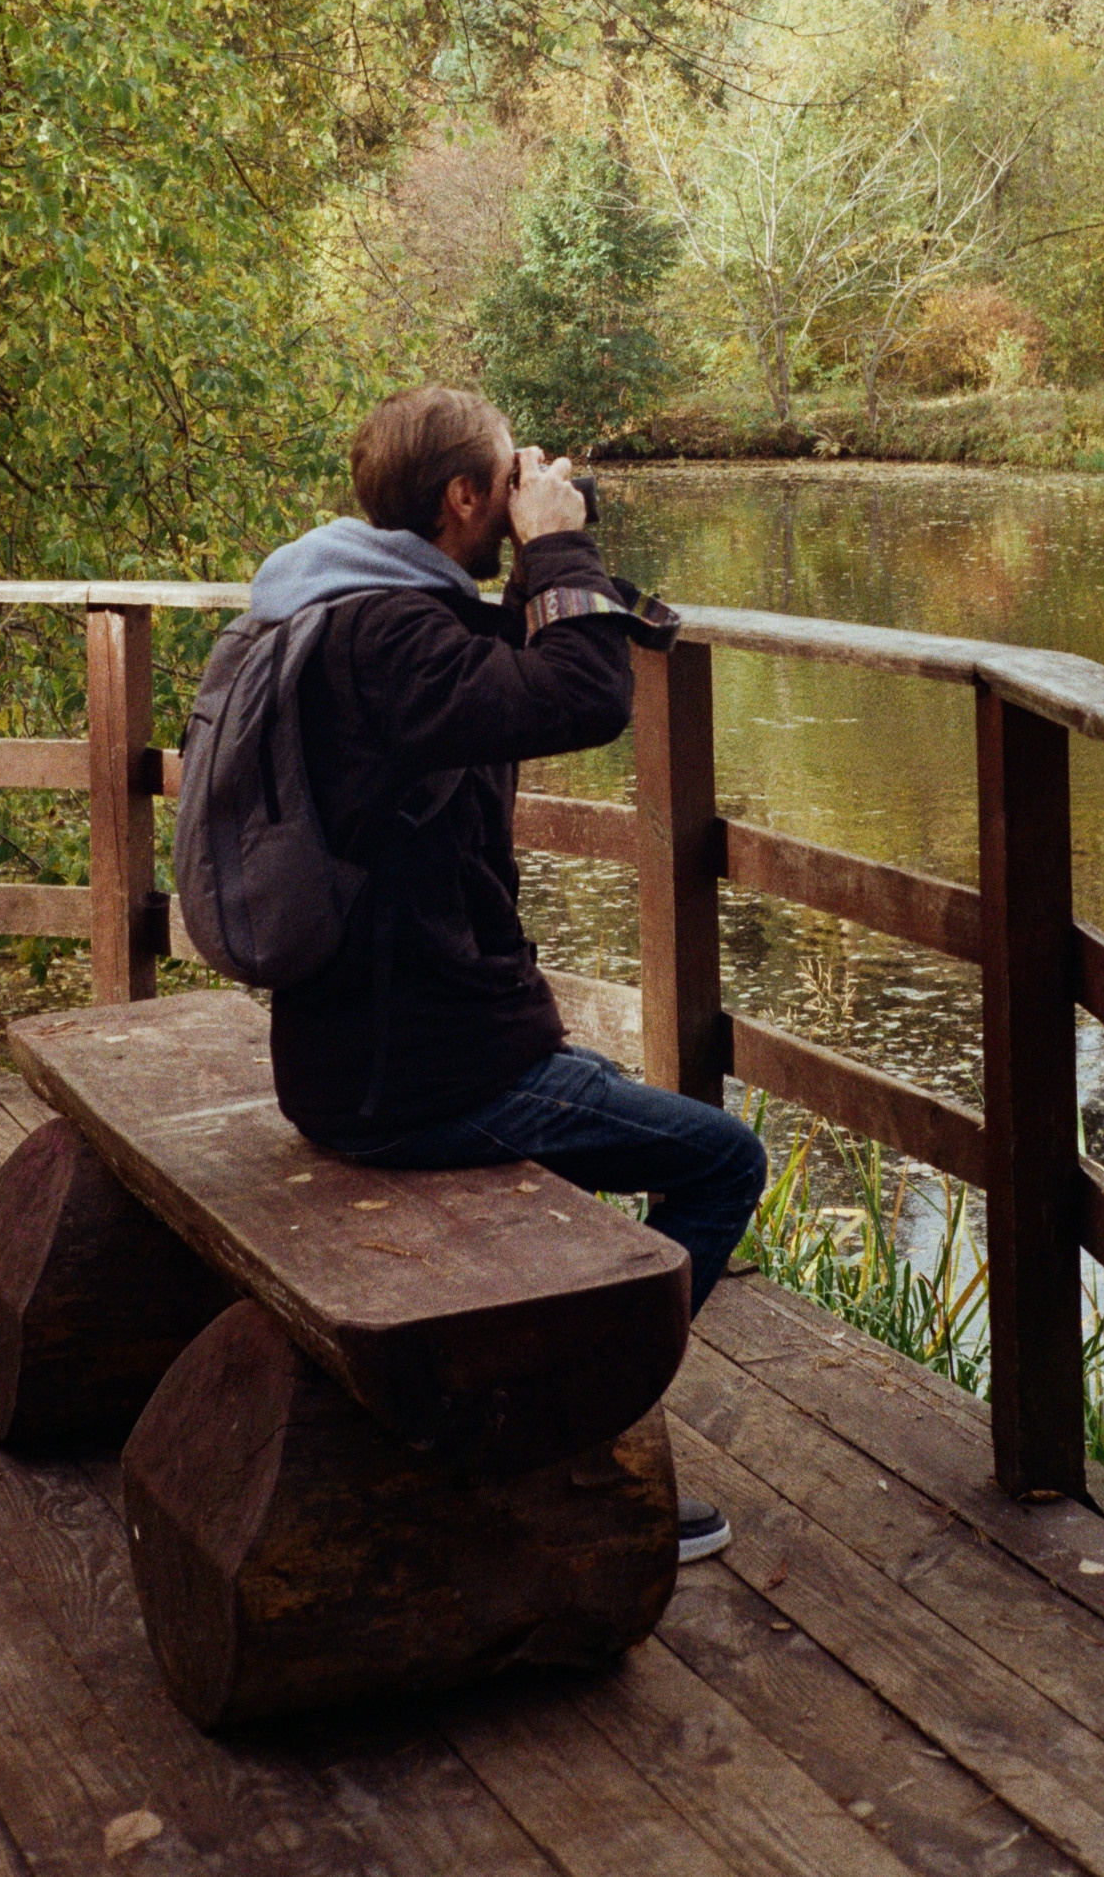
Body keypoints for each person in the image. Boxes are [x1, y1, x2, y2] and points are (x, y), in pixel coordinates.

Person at [251, 383, 767, 1562]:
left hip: (361, 1059)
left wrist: (546, 552)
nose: (515, 501)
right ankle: (566, 1455)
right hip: (426, 1076)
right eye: (502, 483)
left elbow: (519, 665)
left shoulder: (345, 612)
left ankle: (526, 1400)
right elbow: (585, 695)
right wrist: (560, 536)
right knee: (720, 1158)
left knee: (593, 1133)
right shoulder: (393, 640)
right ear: (461, 498)